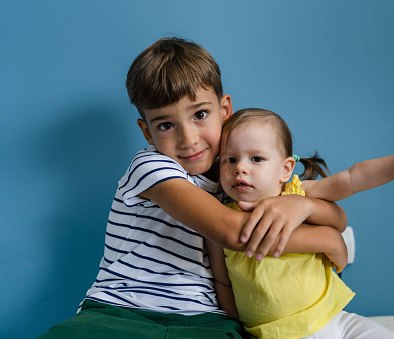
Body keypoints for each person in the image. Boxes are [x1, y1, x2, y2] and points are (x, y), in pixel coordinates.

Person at [39, 37, 350, 339]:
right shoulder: (152, 168)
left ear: (224, 110)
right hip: (121, 309)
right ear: (147, 132)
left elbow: (336, 215)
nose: (188, 139)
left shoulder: (241, 178)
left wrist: (307, 206)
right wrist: (327, 239)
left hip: (208, 318)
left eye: (200, 114)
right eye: (165, 125)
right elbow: (234, 232)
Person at [206, 108, 394, 338]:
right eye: (230, 159)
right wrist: (240, 326)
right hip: (276, 334)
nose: (240, 168)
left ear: (285, 169)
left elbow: (354, 177)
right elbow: (223, 282)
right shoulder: (220, 220)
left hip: (336, 320)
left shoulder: (299, 192)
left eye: (256, 159)